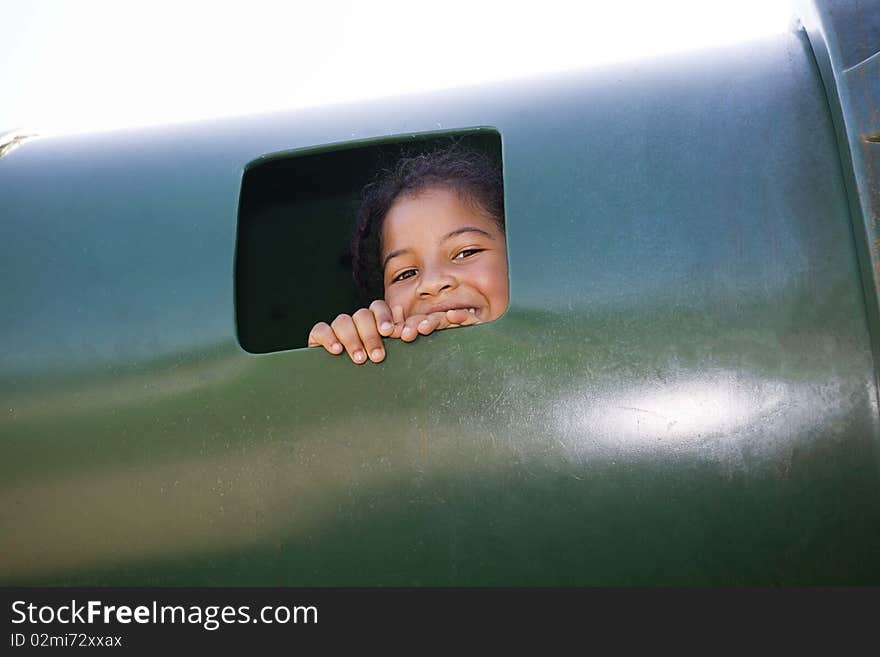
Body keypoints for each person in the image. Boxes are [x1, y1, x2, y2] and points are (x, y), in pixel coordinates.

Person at [308, 146, 509, 364]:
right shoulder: (380, 383)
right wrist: (340, 369)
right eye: (405, 274)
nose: (432, 284)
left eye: (465, 253)